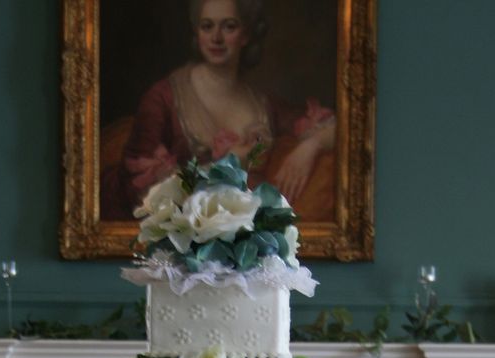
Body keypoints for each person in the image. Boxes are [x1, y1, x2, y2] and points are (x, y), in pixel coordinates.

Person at [100, 0, 336, 220]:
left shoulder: (264, 104)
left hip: (251, 240)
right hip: (187, 241)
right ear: (197, 32)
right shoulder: (163, 98)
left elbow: (339, 127)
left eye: (229, 26)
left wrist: (309, 146)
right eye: (207, 26)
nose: (216, 38)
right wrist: (225, 166)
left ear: (245, 34)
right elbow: (139, 191)